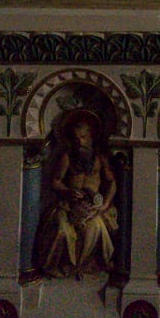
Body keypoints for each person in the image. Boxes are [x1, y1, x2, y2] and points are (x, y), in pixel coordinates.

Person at [36, 111, 118, 279]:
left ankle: (83, 266)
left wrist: (105, 205)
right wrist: (67, 191)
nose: (79, 142)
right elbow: (56, 181)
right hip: (68, 206)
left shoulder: (100, 158)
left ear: (91, 137)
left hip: (93, 207)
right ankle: (57, 266)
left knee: (97, 228)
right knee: (62, 232)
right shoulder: (67, 157)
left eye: (83, 137)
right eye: (76, 138)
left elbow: (112, 183)